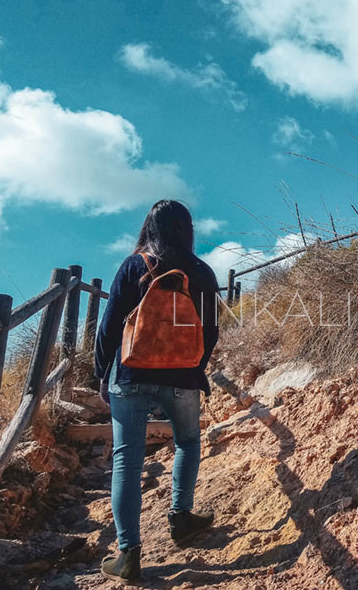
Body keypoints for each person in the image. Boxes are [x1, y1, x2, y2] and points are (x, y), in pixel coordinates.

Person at [94, 199, 220, 582]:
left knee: (126, 461)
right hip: (182, 375)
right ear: (187, 229)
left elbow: (110, 326)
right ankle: (181, 518)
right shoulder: (201, 272)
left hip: (131, 372)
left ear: (148, 228)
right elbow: (211, 331)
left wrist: (103, 374)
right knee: (187, 442)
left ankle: (128, 554)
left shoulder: (135, 265)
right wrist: (194, 368)